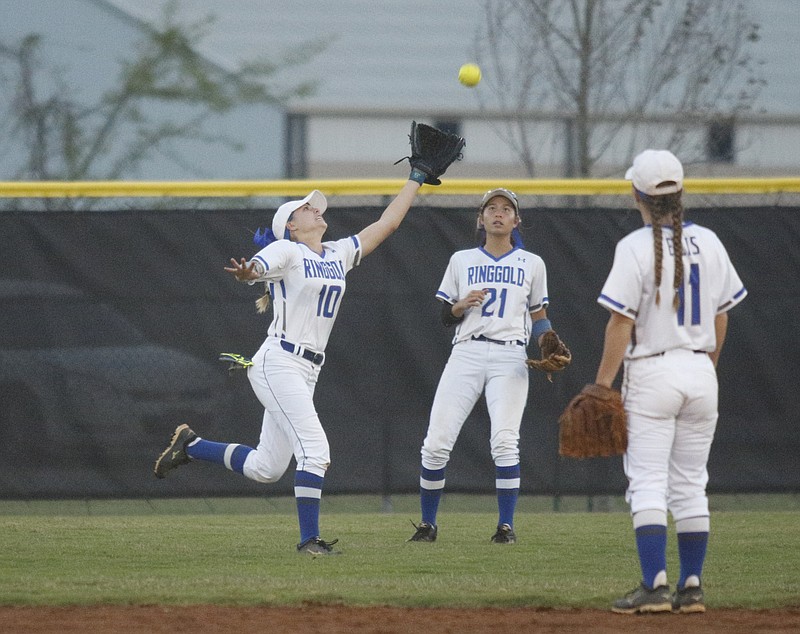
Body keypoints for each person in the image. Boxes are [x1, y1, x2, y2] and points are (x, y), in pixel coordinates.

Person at [153, 150, 436, 555]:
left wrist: (417, 176)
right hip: (278, 362)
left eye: (315, 206)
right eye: (306, 207)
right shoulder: (289, 252)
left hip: (306, 370)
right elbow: (261, 263)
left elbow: (386, 224)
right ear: (290, 224)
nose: (316, 209)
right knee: (316, 450)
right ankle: (309, 542)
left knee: (267, 468)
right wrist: (250, 271)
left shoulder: (337, 253)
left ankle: (192, 446)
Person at [595, 150, 747, 613]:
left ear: (636, 195)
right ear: (680, 194)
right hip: (701, 371)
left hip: (653, 370)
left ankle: (655, 586)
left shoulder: (635, 247)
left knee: (647, 482)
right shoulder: (712, 241)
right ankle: (693, 587)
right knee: (690, 484)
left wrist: (602, 384)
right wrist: (706, 367)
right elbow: (721, 315)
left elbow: (620, 323)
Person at [407, 187, 569, 544]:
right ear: (480, 219)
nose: (498, 213)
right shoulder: (461, 259)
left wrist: (547, 340)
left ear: (516, 219)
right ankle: (427, 524)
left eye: (506, 209)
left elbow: (539, 315)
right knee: (435, 443)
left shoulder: (532, 263)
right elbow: (443, 315)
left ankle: (506, 526)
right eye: (491, 208)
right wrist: (459, 306)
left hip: (511, 355)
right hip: (466, 352)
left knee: (504, 441)